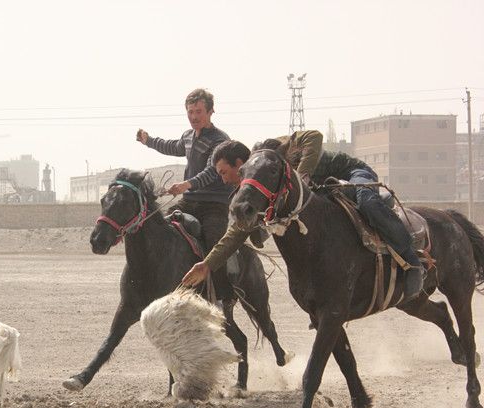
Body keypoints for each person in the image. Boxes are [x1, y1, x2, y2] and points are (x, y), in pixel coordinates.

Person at [183, 130, 424, 302]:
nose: (224, 180)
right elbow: (237, 233)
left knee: (367, 202)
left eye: (224, 173)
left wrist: (302, 175)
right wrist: (207, 265)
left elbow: (315, 137)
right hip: (322, 195)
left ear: (240, 163)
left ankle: (412, 261)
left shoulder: (273, 149)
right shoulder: (258, 190)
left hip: (350, 174)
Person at [136, 88, 234, 299]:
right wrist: (148, 140)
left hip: (213, 206)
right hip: (188, 202)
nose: (194, 117)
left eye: (198, 111)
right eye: (190, 112)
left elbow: (211, 172)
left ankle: (221, 296)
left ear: (210, 112)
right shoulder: (188, 137)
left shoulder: (220, 141)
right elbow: (172, 146)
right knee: (157, 227)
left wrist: (185, 185)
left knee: (215, 246)